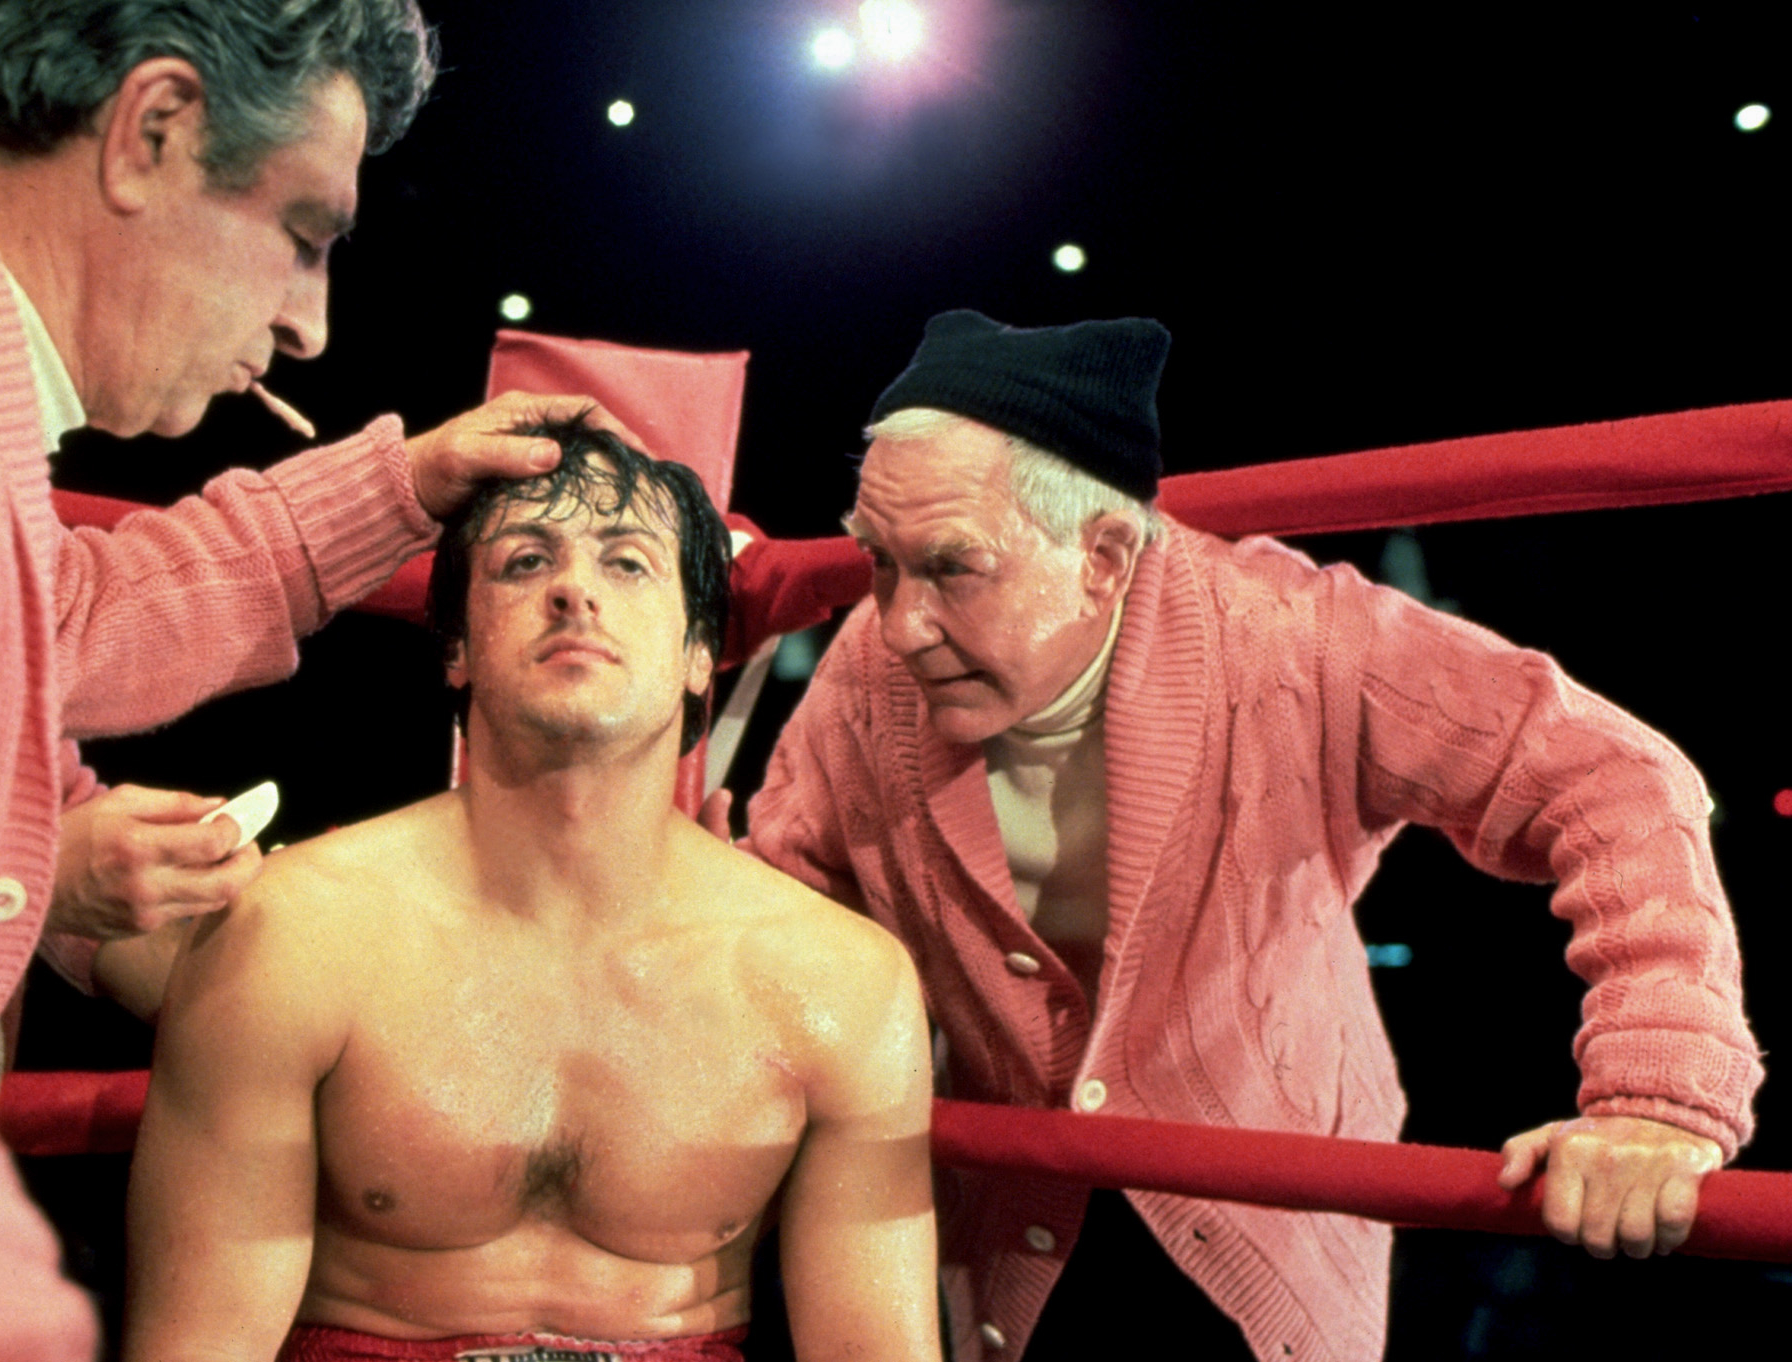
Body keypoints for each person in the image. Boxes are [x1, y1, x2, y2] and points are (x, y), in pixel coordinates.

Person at [0, 3, 630, 1358]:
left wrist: (390, 487)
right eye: (304, 236)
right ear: (156, 130)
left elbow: (37, 621)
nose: (311, 324)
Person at [741, 310, 1762, 1362]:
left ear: (1102, 557)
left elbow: (1617, 779)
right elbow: (776, 900)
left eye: (953, 567)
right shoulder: (869, 671)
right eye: (877, 560)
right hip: (1006, 1230)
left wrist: (1655, 1096)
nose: (899, 621)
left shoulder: (1297, 639)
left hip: (1271, 1229)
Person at [123, 419, 941, 1362]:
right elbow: (197, 1347)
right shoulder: (298, 930)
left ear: (694, 659)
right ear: (457, 651)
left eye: (629, 564)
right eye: (522, 563)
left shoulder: (842, 983)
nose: (574, 590)